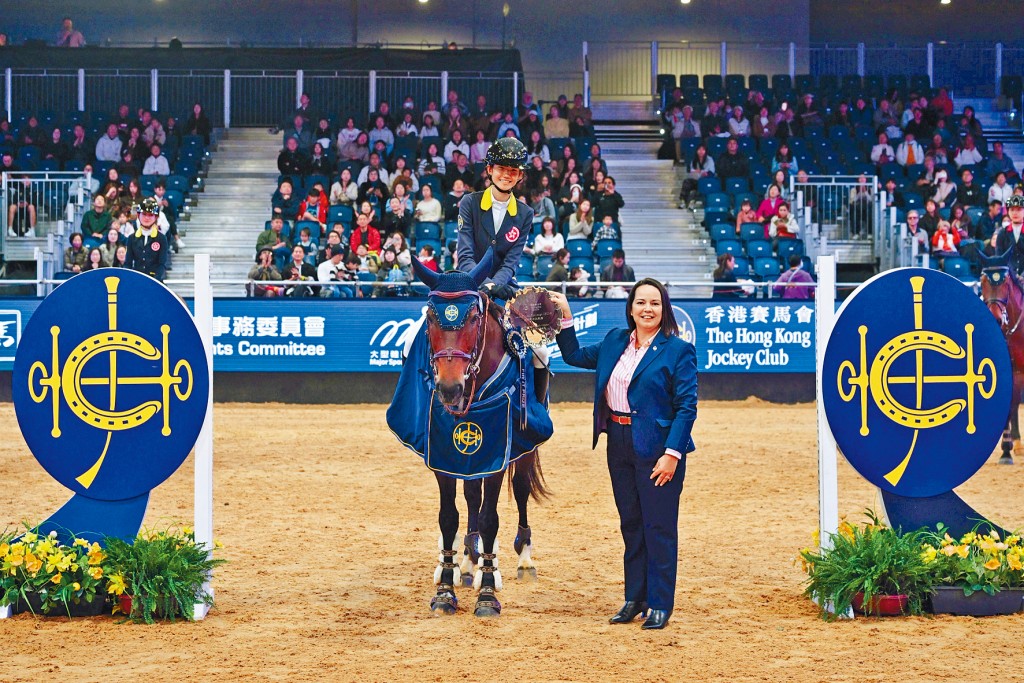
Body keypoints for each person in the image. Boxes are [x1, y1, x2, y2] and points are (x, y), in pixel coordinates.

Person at [548, 280, 697, 630]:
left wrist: (672, 453)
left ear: (665, 310)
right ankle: (636, 597)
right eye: (641, 302)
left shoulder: (678, 350)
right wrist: (565, 317)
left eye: (655, 303)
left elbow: (686, 407)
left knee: (658, 526)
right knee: (631, 524)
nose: (648, 309)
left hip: (658, 449)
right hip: (618, 442)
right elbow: (572, 355)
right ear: (630, 307)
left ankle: (660, 603)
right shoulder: (615, 340)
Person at [455, 138, 534, 300]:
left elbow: (510, 262)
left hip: (503, 285)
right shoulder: (469, 202)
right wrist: (486, 283)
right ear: (490, 169)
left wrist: (495, 285)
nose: (506, 175)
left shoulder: (526, 213)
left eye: (513, 170)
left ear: (520, 175)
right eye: (501, 168)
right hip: (469, 280)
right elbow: (465, 256)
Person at [124, 198, 169, 281]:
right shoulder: (131, 238)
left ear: (156, 217)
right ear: (138, 215)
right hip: (136, 281)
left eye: (151, 215)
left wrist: (155, 280)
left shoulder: (161, 238)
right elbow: (128, 263)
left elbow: (162, 264)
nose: (147, 218)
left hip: (156, 282)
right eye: (144, 214)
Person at [993, 196, 1024, 275]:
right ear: (1008, 211)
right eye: (1012, 209)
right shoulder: (1002, 233)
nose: (1015, 213)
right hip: (1008, 277)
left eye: (1019, 209)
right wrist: (1012, 275)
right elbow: (999, 258)